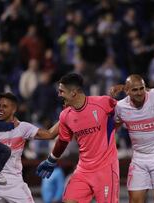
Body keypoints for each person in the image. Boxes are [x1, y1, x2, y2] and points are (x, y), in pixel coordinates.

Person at [36, 73, 119, 203]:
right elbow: (63, 140)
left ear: (73, 93)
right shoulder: (65, 115)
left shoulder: (102, 103)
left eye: (61, 91)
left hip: (106, 169)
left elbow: (127, 110)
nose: (59, 94)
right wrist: (51, 160)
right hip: (83, 170)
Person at [0, 92, 59, 203]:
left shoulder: (23, 128)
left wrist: (65, 115)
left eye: (5, 106)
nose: (0, 109)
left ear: (14, 109)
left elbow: (50, 134)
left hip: (15, 183)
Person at [114, 74, 154, 203]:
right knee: (134, 201)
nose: (140, 93)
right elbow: (114, 127)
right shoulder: (121, 107)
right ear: (127, 91)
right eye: (135, 90)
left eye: (142, 88)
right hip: (139, 159)